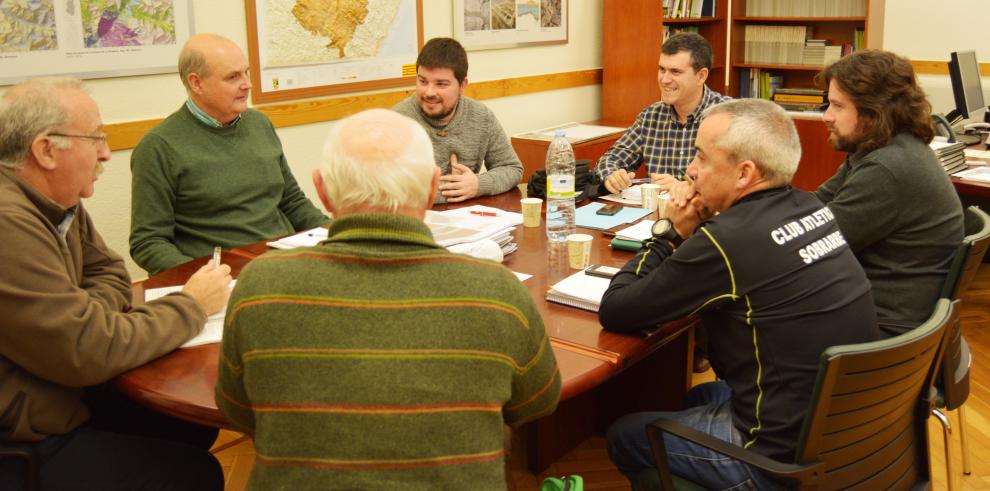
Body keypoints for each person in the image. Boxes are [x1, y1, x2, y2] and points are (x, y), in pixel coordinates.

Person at [215, 108, 560, 489]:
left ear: (322, 189)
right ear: (433, 187)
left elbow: (239, 409)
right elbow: (537, 403)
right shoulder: (497, 292)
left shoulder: (258, 286)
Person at [599, 99, 881, 490]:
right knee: (700, 398)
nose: (690, 170)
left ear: (744, 173)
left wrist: (670, 233)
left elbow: (617, 310)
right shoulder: (810, 205)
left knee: (625, 433)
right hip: (845, 431)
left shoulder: (726, 241)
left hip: (776, 457)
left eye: (700, 157)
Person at [0, 78, 232, 490]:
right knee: (195, 473)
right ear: (46, 150)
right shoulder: (8, 223)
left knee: (188, 427)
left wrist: (84, 312)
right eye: (96, 138)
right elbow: (86, 349)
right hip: (23, 434)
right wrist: (192, 305)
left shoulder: (59, 201)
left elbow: (110, 273)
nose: (106, 152)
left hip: (62, 388)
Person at [130, 33, 328, 275]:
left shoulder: (259, 123)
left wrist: (337, 235)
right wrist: (206, 278)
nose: (247, 84)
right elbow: (148, 243)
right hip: (224, 276)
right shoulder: (158, 147)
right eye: (233, 77)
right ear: (196, 83)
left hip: (285, 264)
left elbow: (292, 201)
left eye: (246, 72)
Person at [815, 49, 964, 337]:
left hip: (883, 333)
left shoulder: (887, 168)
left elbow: (815, 243)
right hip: (889, 316)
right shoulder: (882, 147)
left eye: (837, 106)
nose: (826, 117)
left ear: (873, 111)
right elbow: (817, 205)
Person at [392, 37, 524, 204]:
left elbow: (512, 168)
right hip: (412, 221)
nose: (429, 92)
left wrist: (477, 184)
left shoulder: (481, 117)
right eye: (422, 81)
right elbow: (388, 188)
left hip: (466, 219)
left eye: (441, 84)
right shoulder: (397, 121)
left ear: (462, 85)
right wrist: (451, 188)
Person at [597, 32, 730, 195]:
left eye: (675, 72)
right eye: (662, 69)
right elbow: (609, 160)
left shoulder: (728, 117)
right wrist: (612, 175)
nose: (665, 79)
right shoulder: (650, 116)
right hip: (654, 216)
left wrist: (687, 189)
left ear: (701, 76)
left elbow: (736, 186)